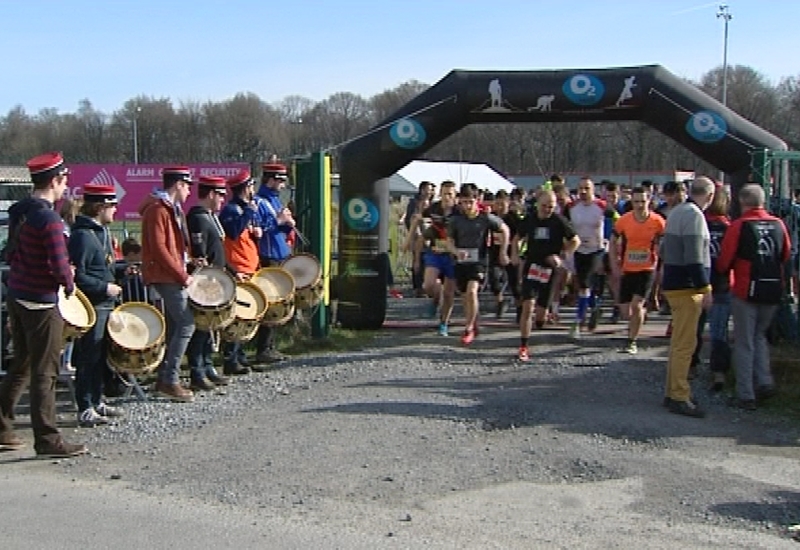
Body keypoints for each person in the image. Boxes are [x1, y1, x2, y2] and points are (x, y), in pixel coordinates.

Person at [0, 152, 87, 457]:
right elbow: (60, 267)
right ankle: (47, 439)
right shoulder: (49, 219)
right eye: (64, 182)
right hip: (40, 301)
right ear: (55, 181)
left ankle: (2, 427)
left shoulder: (19, 212)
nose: (66, 189)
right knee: (45, 371)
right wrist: (70, 282)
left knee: (21, 364)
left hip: (17, 294)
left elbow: (10, 254)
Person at [716, 184, 791, 410]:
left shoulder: (739, 225)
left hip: (745, 289)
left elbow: (725, 259)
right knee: (759, 337)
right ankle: (765, 381)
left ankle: (745, 394)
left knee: (744, 342)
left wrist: (721, 275)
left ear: (742, 202)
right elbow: (786, 254)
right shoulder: (779, 224)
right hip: (772, 289)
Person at [67, 184, 125, 427]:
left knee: (100, 356)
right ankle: (85, 406)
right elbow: (77, 275)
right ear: (100, 207)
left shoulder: (100, 232)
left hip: (106, 303)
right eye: (112, 206)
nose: (116, 210)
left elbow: (104, 266)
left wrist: (122, 271)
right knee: (88, 358)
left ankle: (97, 398)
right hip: (92, 306)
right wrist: (104, 288)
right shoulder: (82, 236)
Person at [660, 176, 715, 418]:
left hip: (673, 283)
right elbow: (695, 257)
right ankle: (679, 395)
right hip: (687, 287)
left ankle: (673, 390)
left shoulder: (676, 212)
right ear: (710, 196)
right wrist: (705, 288)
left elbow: (663, 250)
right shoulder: (695, 216)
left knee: (678, 343)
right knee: (685, 345)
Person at [139, 166, 195, 403]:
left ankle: (165, 376)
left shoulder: (170, 209)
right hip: (166, 276)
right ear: (178, 185)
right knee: (187, 323)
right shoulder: (158, 210)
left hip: (170, 274)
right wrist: (182, 275)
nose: (190, 191)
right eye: (187, 185)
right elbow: (161, 249)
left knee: (175, 325)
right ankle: (170, 380)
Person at [511, 189, 580, 362]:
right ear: (537, 204)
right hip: (532, 265)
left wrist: (562, 256)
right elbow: (517, 237)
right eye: (544, 206)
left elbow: (575, 241)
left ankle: (543, 318)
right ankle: (523, 346)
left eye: (551, 207)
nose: (547, 210)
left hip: (550, 269)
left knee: (540, 314)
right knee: (528, 305)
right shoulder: (530, 219)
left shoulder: (559, 221)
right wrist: (514, 254)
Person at [185, 175, 233, 391]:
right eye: (220, 195)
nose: (223, 199)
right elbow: (200, 250)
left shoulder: (209, 217)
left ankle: (207, 366)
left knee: (209, 328)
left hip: (216, 277)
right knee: (200, 327)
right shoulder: (198, 218)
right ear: (211, 194)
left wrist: (232, 271)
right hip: (205, 279)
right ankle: (197, 370)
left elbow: (218, 249)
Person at [447, 186, 509, 345]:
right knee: (465, 296)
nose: (468, 206)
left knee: (472, 291)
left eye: (471, 202)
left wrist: (503, 251)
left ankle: (468, 328)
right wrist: (455, 251)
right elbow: (449, 242)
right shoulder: (456, 220)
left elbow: (505, 229)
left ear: (477, 201)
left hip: (479, 262)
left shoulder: (485, 218)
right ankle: (473, 322)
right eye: (464, 202)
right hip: (461, 261)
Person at [609, 186, 666, 354]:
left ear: (649, 201)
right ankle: (640, 316)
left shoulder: (657, 221)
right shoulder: (624, 220)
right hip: (628, 269)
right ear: (631, 202)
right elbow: (612, 240)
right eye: (636, 202)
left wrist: (662, 264)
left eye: (643, 201)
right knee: (626, 310)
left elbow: (667, 242)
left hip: (647, 268)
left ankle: (631, 341)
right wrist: (614, 263)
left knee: (636, 305)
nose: (640, 205)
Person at [219, 169, 262, 375]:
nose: (253, 190)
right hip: (239, 269)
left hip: (249, 267)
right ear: (245, 188)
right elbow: (233, 232)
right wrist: (248, 214)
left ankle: (241, 355)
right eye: (251, 186)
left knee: (247, 316)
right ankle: (231, 358)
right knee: (237, 316)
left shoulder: (244, 210)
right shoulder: (232, 210)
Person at [564, 177, 618, 337]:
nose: (583, 192)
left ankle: (579, 320)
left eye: (587, 188)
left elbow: (619, 220)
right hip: (579, 250)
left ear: (593, 190)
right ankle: (594, 307)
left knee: (585, 284)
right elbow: (562, 223)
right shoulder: (572, 207)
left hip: (597, 249)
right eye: (580, 188)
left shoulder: (601, 206)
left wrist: (614, 238)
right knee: (582, 284)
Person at [252, 162, 293, 364]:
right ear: (270, 179)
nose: (282, 185)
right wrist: (278, 220)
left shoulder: (276, 201)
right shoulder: (259, 202)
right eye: (280, 181)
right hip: (268, 255)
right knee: (270, 301)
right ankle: (263, 348)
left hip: (280, 253)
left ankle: (271, 346)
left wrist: (287, 225)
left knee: (278, 302)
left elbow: (279, 230)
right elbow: (258, 229)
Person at [692, 185, 732, 391]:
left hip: (698, 282)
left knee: (694, 328)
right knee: (719, 331)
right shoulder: (729, 227)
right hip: (722, 284)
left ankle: (691, 366)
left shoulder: (699, 222)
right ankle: (718, 372)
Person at [414, 180, 459, 336]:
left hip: (452, 255)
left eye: (450, 194)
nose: (447, 197)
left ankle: (444, 323)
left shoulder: (459, 212)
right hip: (435, 251)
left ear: (455, 196)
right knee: (428, 285)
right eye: (445, 194)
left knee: (449, 293)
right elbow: (420, 218)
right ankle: (434, 299)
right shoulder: (434, 208)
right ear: (440, 194)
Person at [488, 190, 520, 319]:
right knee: (494, 279)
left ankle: (520, 308)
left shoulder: (513, 218)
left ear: (508, 204)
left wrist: (515, 253)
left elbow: (520, 236)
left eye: (503, 204)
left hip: (511, 252)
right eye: (498, 204)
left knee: (515, 284)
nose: (500, 207)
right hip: (495, 253)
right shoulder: (491, 217)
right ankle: (500, 301)